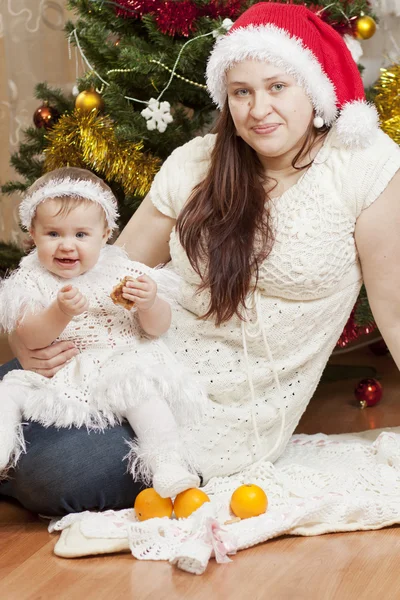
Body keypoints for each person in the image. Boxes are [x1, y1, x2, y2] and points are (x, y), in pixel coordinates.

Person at [1, 2, 400, 516]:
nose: (258, 110)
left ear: (315, 86)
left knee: (58, 474)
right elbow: (108, 264)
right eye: (242, 92)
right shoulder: (195, 163)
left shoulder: (364, 167)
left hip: (226, 415)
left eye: (277, 86)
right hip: (126, 355)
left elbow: (394, 307)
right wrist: (23, 331)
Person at [0, 167, 206, 500]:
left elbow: (157, 328)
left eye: (81, 235)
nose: (67, 246)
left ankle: (168, 464)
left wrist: (149, 303)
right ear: (33, 234)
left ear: (105, 233)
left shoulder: (121, 271)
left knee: (142, 396)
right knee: (8, 390)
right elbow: (31, 337)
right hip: (61, 374)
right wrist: (60, 312)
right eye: (53, 234)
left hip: (116, 366)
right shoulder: (30, 279)